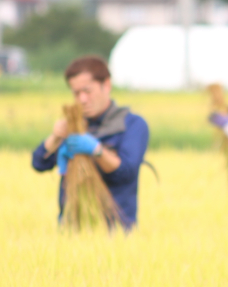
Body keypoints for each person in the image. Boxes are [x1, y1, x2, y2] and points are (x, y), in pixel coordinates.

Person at [31, 55, 149, 230]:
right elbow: (39, 163)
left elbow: (126, 172)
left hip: (117, 231)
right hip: (73, 229)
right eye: (76, 93)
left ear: (106, 85)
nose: (82, 99)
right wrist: (55, 137)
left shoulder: (132, 124)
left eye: (88, 91)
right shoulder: (72, 126)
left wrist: (96, 150)